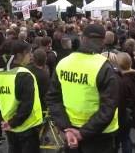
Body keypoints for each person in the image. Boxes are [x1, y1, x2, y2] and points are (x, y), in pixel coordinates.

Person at [47, 24, 119, 153]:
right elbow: (108, 107)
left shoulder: (63, 63)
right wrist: (82, 133)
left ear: (82, 38)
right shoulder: (104, 66)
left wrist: (66, 129)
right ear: (103, 41)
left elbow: (53, 99)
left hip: (70, 128)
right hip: (100, 133)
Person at [0, 40, 43, 153]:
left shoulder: (1, 74)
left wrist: (3, 121)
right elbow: (27, 105)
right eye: (29, 53)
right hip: (27, 127)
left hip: (9, 125)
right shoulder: (24, 75)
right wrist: (12, 122)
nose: (31, 56)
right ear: (20, 55)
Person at [116, 52, 135, 153]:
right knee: (126, 137)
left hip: (122, 116)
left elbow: (119, 101)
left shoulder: (123, 82)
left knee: (121, 139)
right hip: (131, 113)